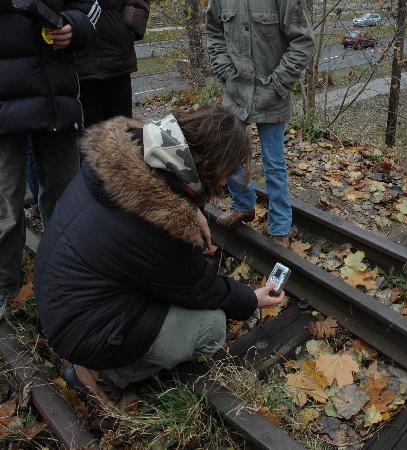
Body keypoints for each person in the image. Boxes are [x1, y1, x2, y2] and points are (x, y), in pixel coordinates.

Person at [33, 104, 284, 404]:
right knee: (212, 326)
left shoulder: (133, 154)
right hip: (81, 330)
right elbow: (199, 289)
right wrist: (250, 300)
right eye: (225, 175)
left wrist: (192, 211)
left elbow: (169, 191)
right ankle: (101, 376)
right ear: (206, 163)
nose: (222, 184)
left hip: (59, 296)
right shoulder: (159, 221)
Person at [0, 0, 99, 320]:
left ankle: (67, 277)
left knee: (66, 196)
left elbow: (91, 9)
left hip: (55, 93)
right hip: (4, 100)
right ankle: (4, 286)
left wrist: (74, 26)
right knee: (4, 199)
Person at [206, 0, 315, 248]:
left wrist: (278, 84)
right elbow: (214, 32)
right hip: (236, 93)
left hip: (272, 94)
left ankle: (280, 227)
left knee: (273, 163)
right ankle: (243, 205)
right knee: (227, 154)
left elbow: (303, 42)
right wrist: (224, 70)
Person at [75, 0, 150, 127]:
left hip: (117, 57)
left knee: (122, 134)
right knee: (88, 138)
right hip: (79, 60)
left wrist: (130, 27)